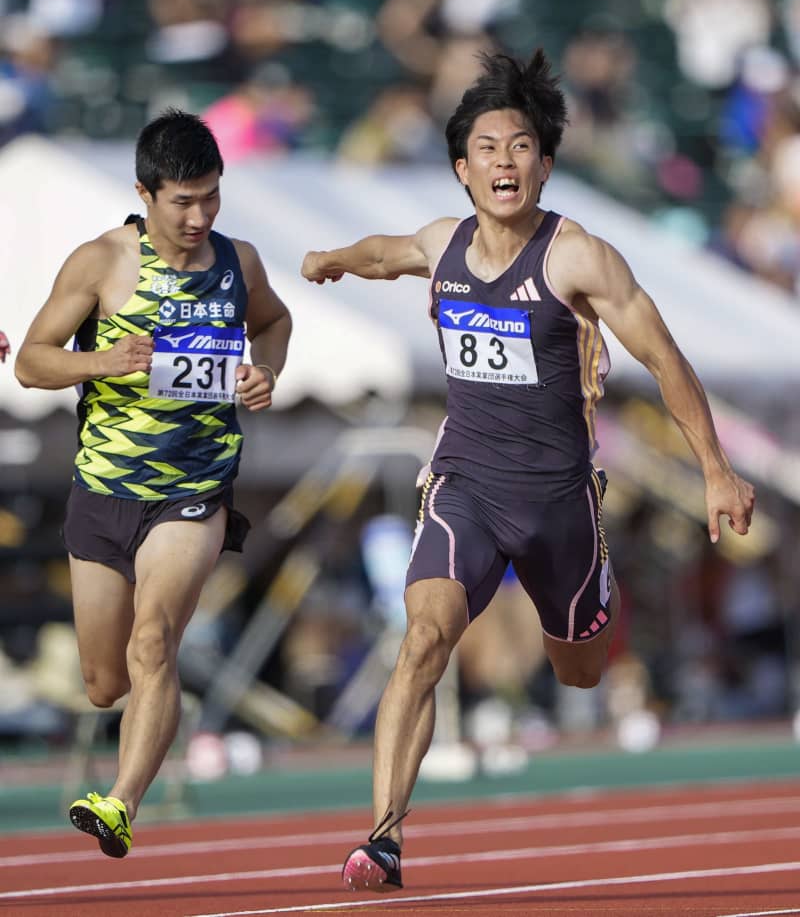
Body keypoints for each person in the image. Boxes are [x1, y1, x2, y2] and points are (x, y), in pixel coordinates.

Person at [301, 48, 755, 893]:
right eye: (487, 148)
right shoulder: (441, 244)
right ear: (460, 169)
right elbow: (386, 251)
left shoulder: (579, 257)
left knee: (577, 667)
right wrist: (330, 257)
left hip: (558, 504)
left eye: (520, 148)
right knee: (424, 640)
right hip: (465, 487)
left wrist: (717, 472)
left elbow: (664, 359)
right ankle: (384, 838)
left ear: (544, 166)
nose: (504, 162)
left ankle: (595, 603)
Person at [14, 109, 292, 859]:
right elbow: (32, 362)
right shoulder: (101, 263)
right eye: (183, 200)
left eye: (211, 196)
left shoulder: (240, 263)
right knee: (106, 681)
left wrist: (265, 370)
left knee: (155, 637)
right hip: (104, 488)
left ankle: (121, 802)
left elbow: (275, 320)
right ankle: (158, 704)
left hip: (194, 487)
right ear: (145, 193)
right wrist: (101, 361)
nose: (200, 216)